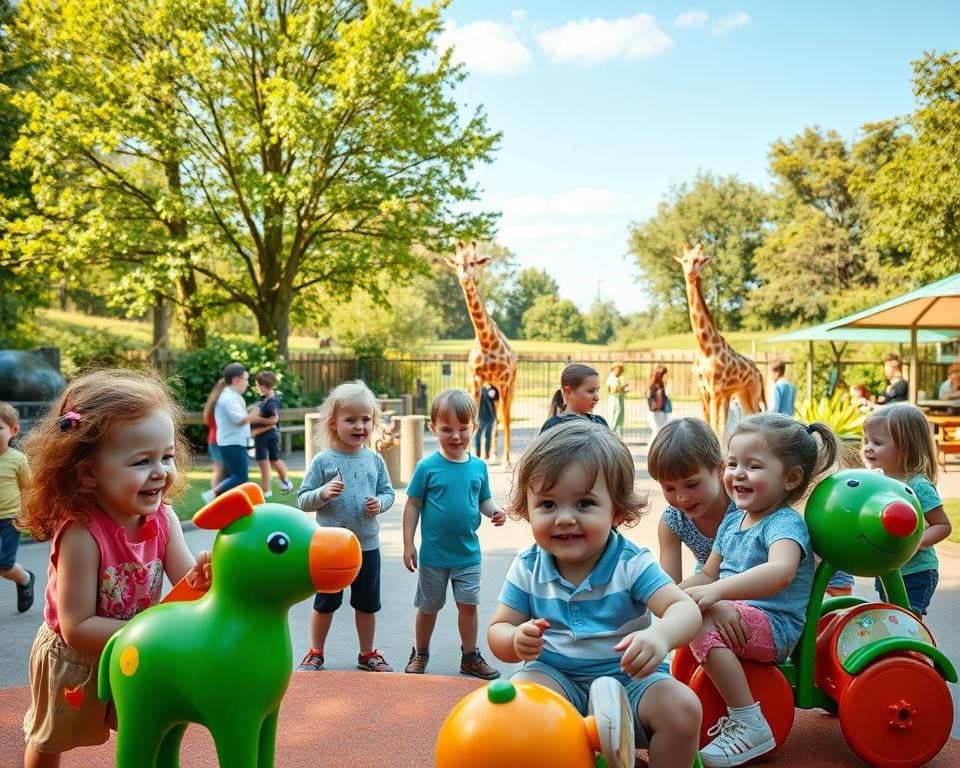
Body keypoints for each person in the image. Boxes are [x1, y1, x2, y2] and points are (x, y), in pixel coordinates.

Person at [18, 369, 211, 768]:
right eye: (142, 461)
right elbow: (78, 626)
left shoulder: (164, 520)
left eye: (168, 456)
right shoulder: (82, 535)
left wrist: (204, 580)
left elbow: (186, 586)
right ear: (88, 472)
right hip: (75, 659)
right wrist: (150, 633)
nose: (160, 471)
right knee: (51, 737)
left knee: (149, 732)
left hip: (138, 651)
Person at [488, 421, 703, 768]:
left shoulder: (630, 563)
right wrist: (514, 640)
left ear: (616, 511)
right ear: (527, 508)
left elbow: (684, 609)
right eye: (548, 504)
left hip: (631, 678)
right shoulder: (529, 567)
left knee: (683, 708)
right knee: (520, 704)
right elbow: (497, 630)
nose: (565, 519)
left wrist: (659, 636)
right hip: (557, 677)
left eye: (585, 504)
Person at [680, 413, 839, 768]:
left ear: (791, 478)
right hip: (739, 616)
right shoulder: (733, 521)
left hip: (774, 625)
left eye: (752, 466)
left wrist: (716, 594)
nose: (737, 473)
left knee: (700, 620)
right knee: (683, 609)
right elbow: (707, 574)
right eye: (732, 463)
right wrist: (665, 594)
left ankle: (749, 722)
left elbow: (779, 573)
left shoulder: (785, 524)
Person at [403, 388, 506, 679]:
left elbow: (483, 499)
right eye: (447, 429)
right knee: (428, 607)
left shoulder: (478, 467)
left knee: (469, 605)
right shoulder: (427, 467)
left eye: (463, 429)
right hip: (434, 555)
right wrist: (408, 543)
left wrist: (495, 510)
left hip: (468, 554)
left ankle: (470, 656)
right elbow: (412, 505)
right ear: (432, 428)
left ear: (475, 426)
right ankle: (420, 652)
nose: (456, 436)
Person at [297, 380, 396, 673]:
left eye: (366, 419)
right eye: (350, 419)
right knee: (325, 603)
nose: (359, 426)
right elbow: (303, 500)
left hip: (367, 545)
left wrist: (380, 503)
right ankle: (315, 652)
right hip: (330, 549)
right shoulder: (323, 460)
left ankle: (367, 653)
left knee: (367, 605)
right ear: (332, 423)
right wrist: (323, 494)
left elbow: (388, 492)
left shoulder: (375, 459)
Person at [862, 403, 952, 616]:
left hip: (916, 572)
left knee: (907, 623)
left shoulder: (918, 485)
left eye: (877, 442)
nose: (868, 447)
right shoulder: (879, 481)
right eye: (866, 441)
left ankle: (915, 651)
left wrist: (914, 542)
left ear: (905, 446)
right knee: (892, 618)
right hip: (889, 570)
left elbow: (943, 525)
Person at [646, 418, 737, 583]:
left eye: (692, 484)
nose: (682, 498)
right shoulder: (674, 521)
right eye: (669, 488)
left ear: (719, 468)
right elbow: (669, 585)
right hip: (704, 588)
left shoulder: (744, 507)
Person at [201, 363, 271, 504]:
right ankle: (212, 494)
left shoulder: (231, 396)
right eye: (245, 379)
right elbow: (240, 420)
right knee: (240, 477)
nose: (247, 383)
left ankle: (228, 504)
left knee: (235, 476)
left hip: (233, 442)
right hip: (232, 443)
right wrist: (255, 412)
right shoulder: (229, 398)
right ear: (235, 379)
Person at [0, 402, 33, 613]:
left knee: (4, 564)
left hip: (9, 518)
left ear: (13, 430)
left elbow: (28, 488)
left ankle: (25, 578)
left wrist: (29, 514)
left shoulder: (17, 459)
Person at [249, 370, 294, 497]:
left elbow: (275, 419)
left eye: (259, 385)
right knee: (264, 462)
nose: (257, 387)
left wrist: (257, 419)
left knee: (272, 461)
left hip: (269, 436)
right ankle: (268, 491)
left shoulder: (272, 401)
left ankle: (282, 483)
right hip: (261, 436)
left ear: (265, 385)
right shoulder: (264, 399)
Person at [541, 363, 608, 433]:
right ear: (568, 391)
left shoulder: (600, 422)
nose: (597, 397)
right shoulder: (553, 426)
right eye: (590, 391)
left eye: (598, 390)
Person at [201, 379, 227, 491]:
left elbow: (207, 421)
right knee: (220, 468)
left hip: (213, 439)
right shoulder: (222, 404)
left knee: (219, 468)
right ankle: (213, 494)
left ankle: (217, 493)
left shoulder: (212, 403)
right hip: (220, 440)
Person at [473, 383, 499, 461]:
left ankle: (485, 454)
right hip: (482, 417)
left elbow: (496, 397)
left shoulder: (492, 389)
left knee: (486, 436)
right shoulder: (480, 388)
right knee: (480, 435)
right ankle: (479, 453)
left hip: (488, 417)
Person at [646, 366, 671, 441]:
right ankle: (652, 450)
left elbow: (648, 396)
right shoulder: (660, 388)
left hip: (652, 413)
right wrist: (666, 398)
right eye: (666, 375)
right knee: (658, 433)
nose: (667, 377)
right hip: (658, 414)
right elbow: (659, 404)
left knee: (656, 432)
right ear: (661, 375)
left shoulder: (652, 386)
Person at [606, 362, 629, 437]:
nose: (621, 372)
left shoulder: (618, 378)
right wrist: (623, 386)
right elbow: (613, 390)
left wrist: (624, 390)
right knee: (613, 423)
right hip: (614, 403)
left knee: (619, 423)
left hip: (619, 403)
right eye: (620, 370)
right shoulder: (611, 378)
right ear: (616, 369)